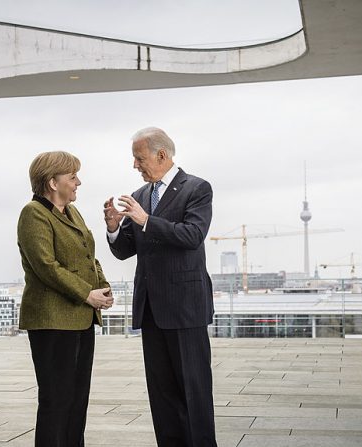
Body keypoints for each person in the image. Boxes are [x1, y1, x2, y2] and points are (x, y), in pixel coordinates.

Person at [104, 127, 217, 446]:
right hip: (151, 308)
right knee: (162, 395)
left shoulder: (196, 188)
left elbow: (192, 235)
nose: (135, 166)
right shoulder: (140, 197)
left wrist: (146, 221)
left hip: (185, 308)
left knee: (193, 391)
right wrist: (114, 227)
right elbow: (126, 249)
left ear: (162, 155)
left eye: (139, 158)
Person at [17, 151, 114, 447]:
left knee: (76, 400)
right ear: (52, 182)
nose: (78, 182)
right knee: (56, 401)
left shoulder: (73, 212)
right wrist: (87, 294)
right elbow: (46, 266)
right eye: (72, 177)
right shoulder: (33, 213)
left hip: (81, 320)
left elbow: (88, 257)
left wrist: (103, 287)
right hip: (52, 322)